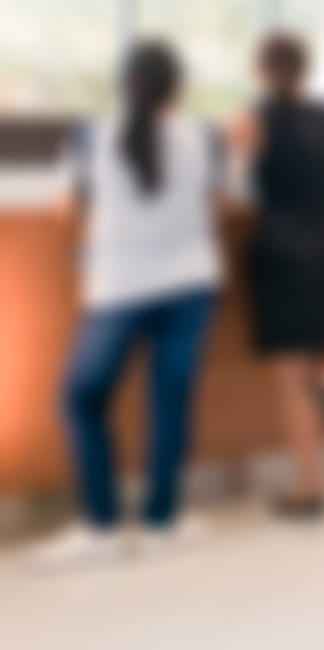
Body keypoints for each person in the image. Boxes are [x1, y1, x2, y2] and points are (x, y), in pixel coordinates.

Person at [32, 40, 223, 568]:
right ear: (177, 87)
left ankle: (102, 527)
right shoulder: (205, 137)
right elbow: (212, 202)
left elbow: (64, 206)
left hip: (118, 287)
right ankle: (163, 522)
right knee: (169, 404)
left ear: (125, 85)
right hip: (192, 283)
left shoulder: (90, 135)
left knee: (82, 399)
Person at [228, 32, 324, 520]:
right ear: (307, 71)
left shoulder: (251, 119)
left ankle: (310, 487)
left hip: (284, 251)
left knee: (289, 379)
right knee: (319, 352)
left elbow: (230, 176)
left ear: (262, 72)